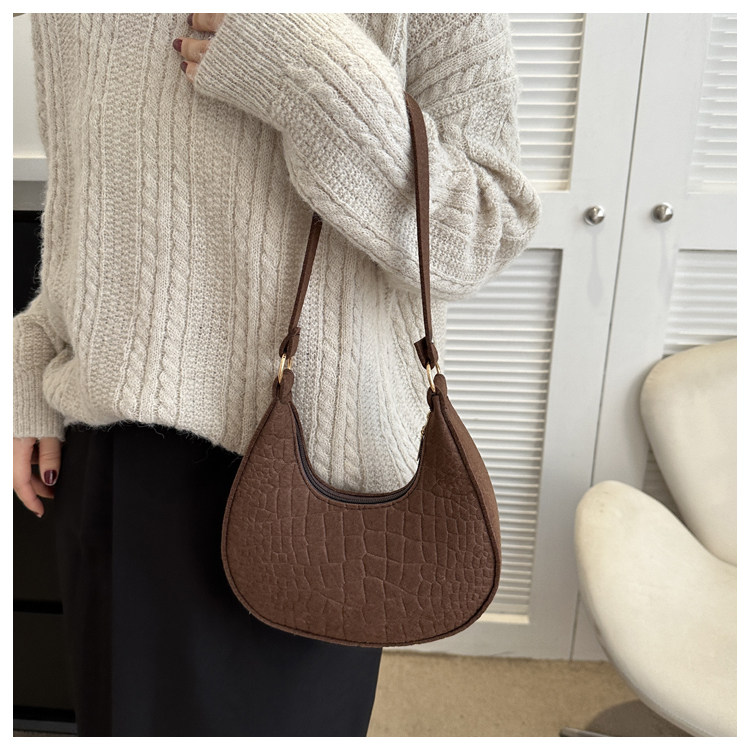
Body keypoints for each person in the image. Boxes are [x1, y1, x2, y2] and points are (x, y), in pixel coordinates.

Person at [12, 12, 542, 737]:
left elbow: (478, 232)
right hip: (110, 451)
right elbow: (84, 202)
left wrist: (310, 70)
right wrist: (34, 352)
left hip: (319, 469)